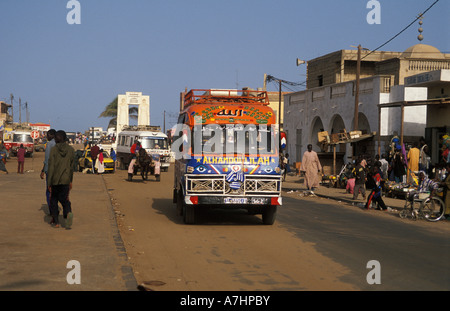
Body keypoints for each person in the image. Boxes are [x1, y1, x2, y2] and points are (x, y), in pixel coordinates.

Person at [47, 130, 75, 229]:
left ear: (56, 139)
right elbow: (72, 168)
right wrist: (70, 180)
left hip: (55, 180)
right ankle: (67, 214)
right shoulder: (71, 150)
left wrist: (49, 183)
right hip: (66, 179)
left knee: (53, 200)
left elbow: (51, 167)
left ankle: (57, 222)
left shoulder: (53, 150)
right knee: (65, 200)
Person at [40, 129, 56, 208]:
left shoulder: (50, 144)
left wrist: (43, 170)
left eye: (48, 135)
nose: (47, 136)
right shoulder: (60, 144)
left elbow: (47, 159)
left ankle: (51, 208)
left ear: (52, 135)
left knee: (49, 190)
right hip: (59, 172)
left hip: (50, 171)